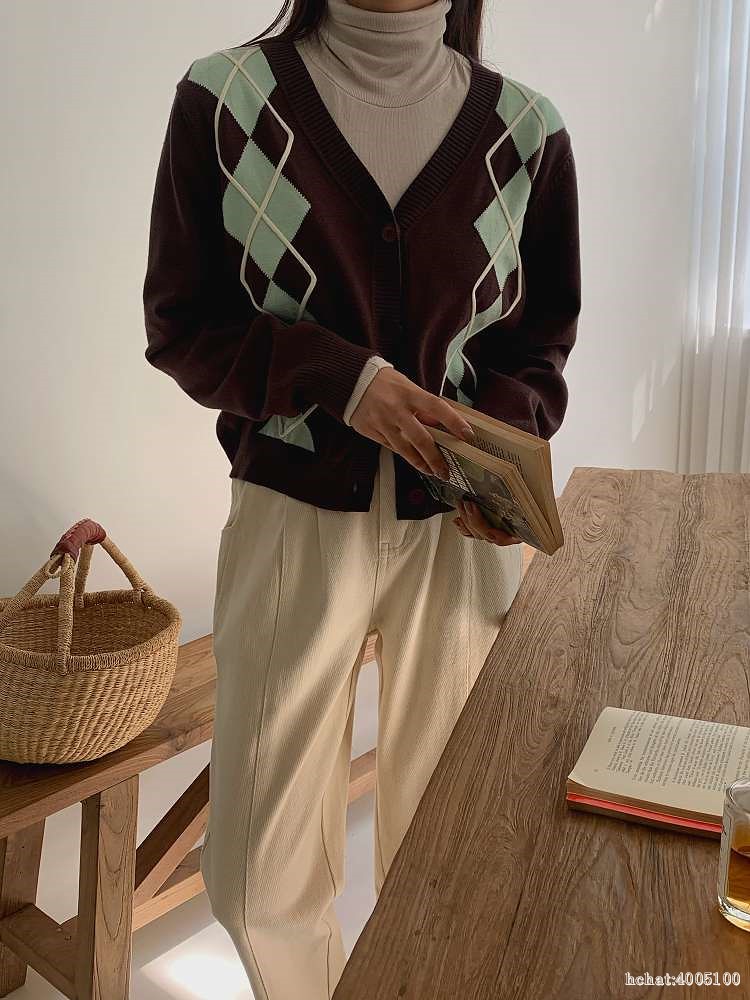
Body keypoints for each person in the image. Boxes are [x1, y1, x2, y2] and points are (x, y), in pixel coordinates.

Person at [142, 0, 581, 996]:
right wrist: (340, 379)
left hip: (464, 535)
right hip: (291, 516)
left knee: (452, 852)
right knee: (256, 875)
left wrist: (492, 447)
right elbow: (184, 323)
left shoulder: (525, 130)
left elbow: (537, 343)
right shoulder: (227, 100)